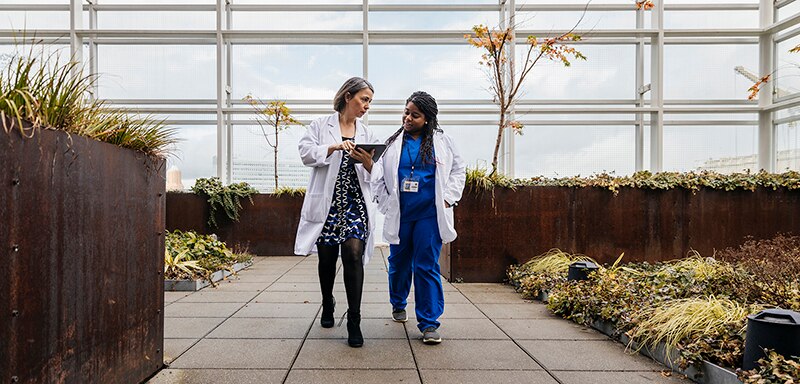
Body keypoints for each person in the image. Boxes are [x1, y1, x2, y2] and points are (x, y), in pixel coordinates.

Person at [370, 91, 466, 344]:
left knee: (426, 265)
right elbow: (378, 175)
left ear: (427, 119)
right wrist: (385, 201)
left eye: (415, 115)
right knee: (399, 263)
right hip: (401, 214)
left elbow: (458, 169)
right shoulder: (391, 142)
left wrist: (448, 198)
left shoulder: (442, 141)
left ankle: (429, 322)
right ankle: (398, 301)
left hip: (430, 214)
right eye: (406, 112)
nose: (408, 118)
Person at [294, 77, 379, 348]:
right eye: (364, 99)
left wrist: (366, 161)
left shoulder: (367, 134)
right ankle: (327, 302)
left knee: (353, 254)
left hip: (355, 203)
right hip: (328, 205)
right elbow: (306, 153)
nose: (366, 106)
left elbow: (376, 173)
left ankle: (354, 320)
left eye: (369, 102)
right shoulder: (321, 125)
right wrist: (333, 147)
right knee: (327, 260)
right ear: (348, 97)